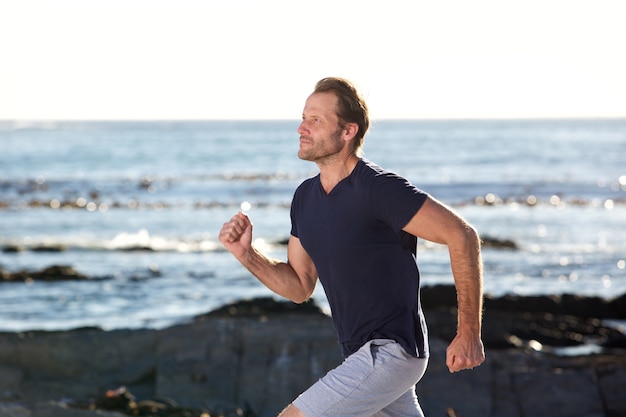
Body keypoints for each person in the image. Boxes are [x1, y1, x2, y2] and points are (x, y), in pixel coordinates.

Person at [218, 77, 485, 417]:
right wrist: (246, 254)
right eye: (303, 118)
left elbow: (462, 235)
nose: (302, 128)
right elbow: (299, 286)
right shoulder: (305, 198)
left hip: (391, 351)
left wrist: (469, 334)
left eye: (316, 120)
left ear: (348, 132)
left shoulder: (379, 189)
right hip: (359, 355)